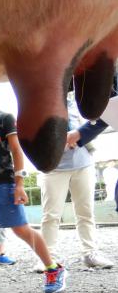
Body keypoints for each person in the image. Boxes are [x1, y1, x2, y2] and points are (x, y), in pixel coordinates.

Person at [0, 86, 67, 293]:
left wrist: (20, 184)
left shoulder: (4, 118)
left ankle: (53, 267)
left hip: (3, 183)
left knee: (21, 229)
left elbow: (16, 150)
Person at [38, 93, 114, 269]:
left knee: (86, 213)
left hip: (83, 164)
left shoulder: (79, 101)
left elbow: (99, 119)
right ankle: (47, 258)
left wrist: (79, 134)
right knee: (50, 215)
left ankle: (90, 253)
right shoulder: (39, 103)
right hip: (53, 167)